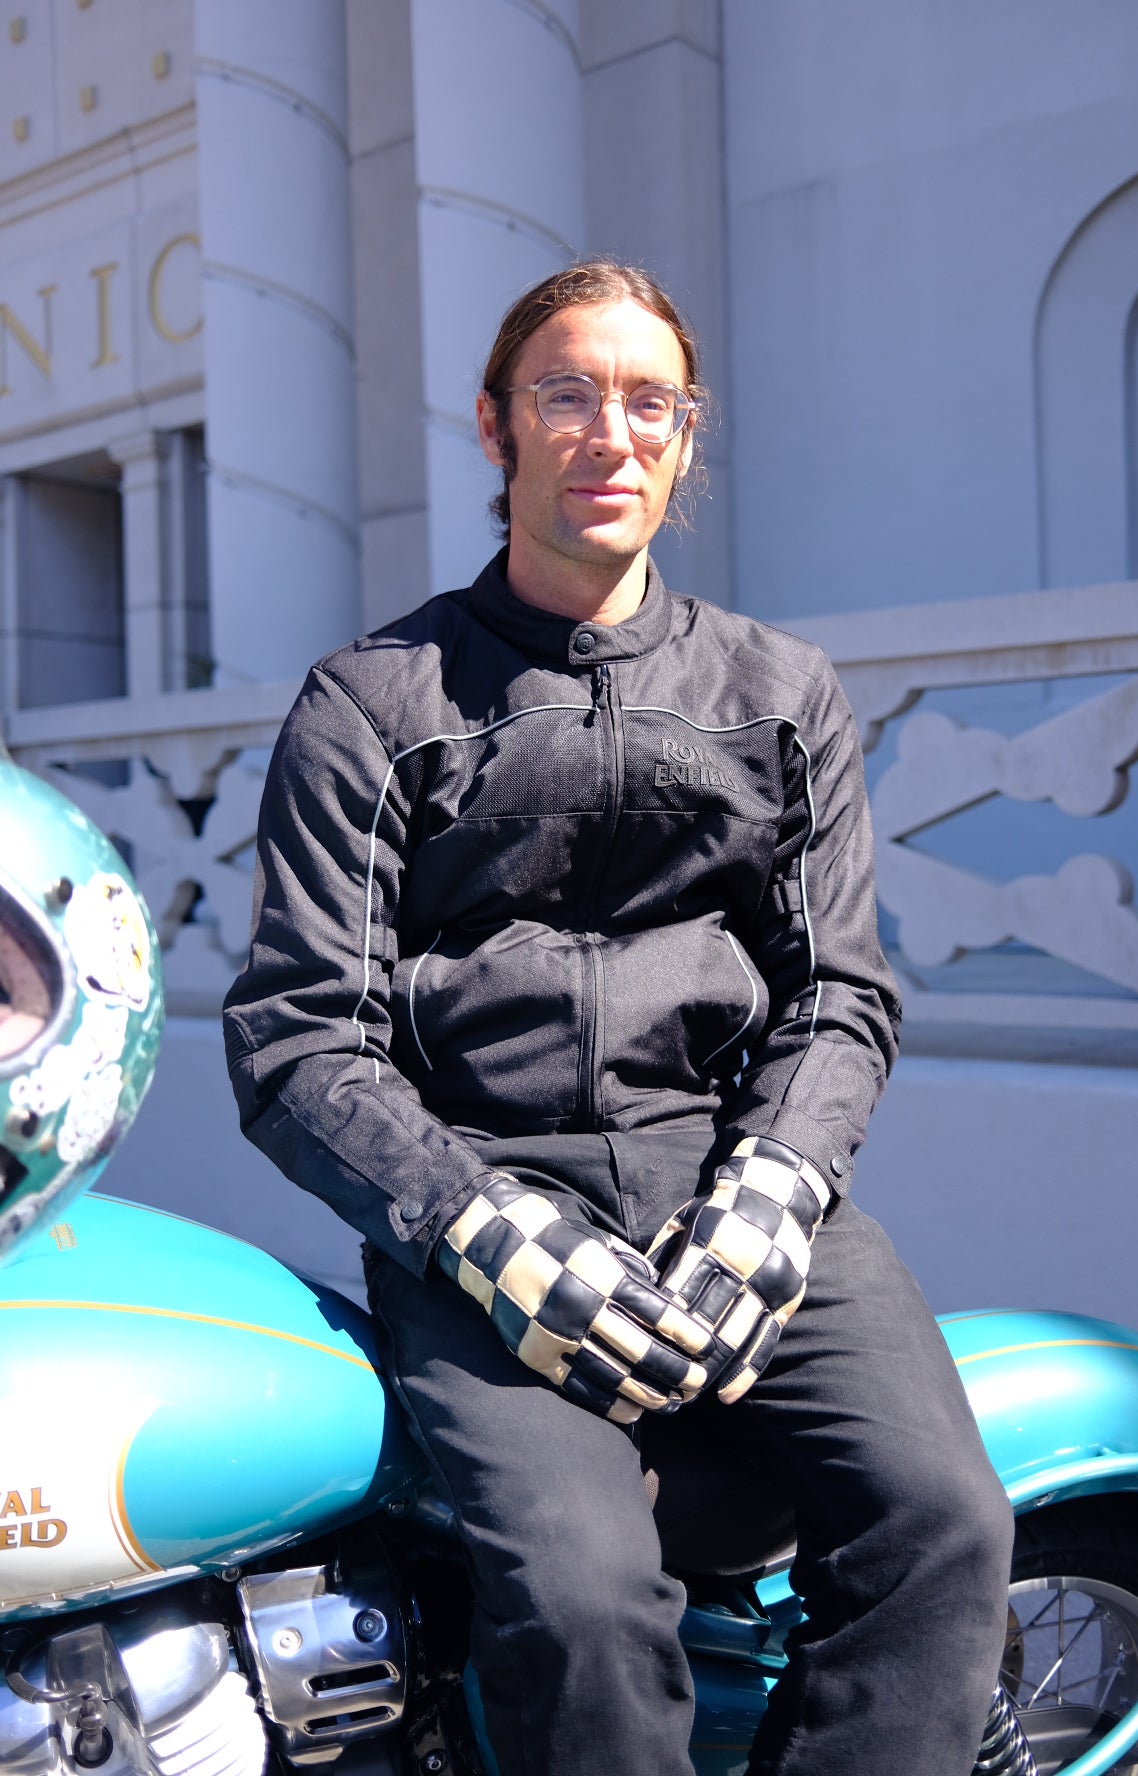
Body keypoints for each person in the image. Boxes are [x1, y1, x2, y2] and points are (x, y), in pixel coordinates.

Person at [224, 260, 1014, 1776]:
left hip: (735, 1178)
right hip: (478, 1197)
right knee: (582, 1605)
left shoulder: (782, 691)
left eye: (650, 402)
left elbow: (841, 992)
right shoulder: (372, 702)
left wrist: (774, 1194)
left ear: (687, 441)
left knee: (945, 1525)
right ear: (496, 429)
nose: (612, 433)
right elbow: (298, 1034)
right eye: (568, 394)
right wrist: (480, 1227)